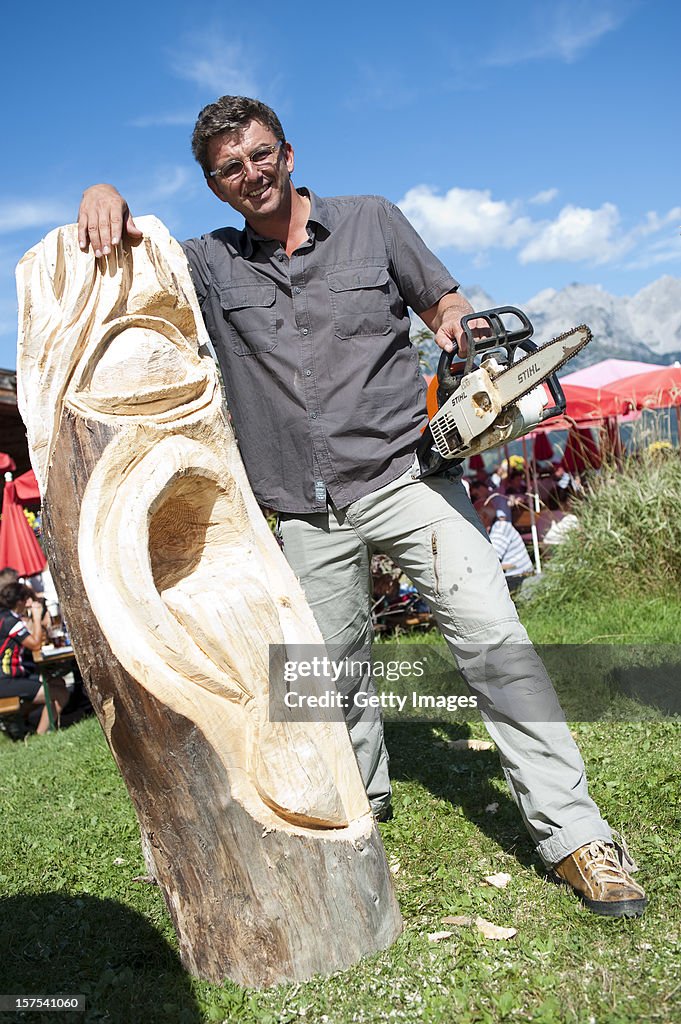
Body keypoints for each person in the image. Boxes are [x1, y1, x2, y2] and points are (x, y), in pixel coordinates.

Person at [76, 95, 646, 917]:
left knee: (495, 643)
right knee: (324, 681)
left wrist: (456, 327)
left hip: (405, 476)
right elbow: (136, 248)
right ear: (213, 184)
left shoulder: (373, 220)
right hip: (303, 508)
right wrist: (103, 192)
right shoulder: (207, 262)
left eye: (262, 154)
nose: (251, 174)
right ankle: (357, 811)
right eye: (229, 167)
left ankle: (575, 835)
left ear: (290, 153)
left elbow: (442, 300)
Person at [0, 582, 69, 734]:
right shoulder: (10, 622)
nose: (31, 602)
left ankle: (20, 721)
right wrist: (37, 617)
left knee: (58, 682)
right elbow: (36, 644)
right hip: (6, 680)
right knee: (60, 693)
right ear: (20, 601)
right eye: (28, 599)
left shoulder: (6, 617)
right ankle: (42, 734)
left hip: (10, 677)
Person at [475, 503, 533, 592]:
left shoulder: (500, 529)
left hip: (519, 577)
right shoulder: (494, 528)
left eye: (476, 517)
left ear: (485, 516)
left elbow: (492, 559)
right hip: (514, 575)